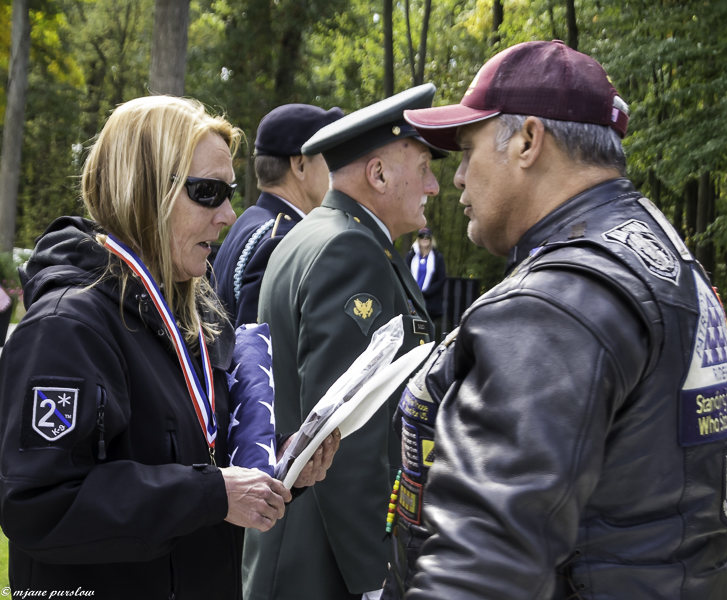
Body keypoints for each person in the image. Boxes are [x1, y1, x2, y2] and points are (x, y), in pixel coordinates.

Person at [384, 40, 727, 599]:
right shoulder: (660, 255)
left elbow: (481, 568)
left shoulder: (557, 302)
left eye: (469, 149)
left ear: (527, 141)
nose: (456, 179)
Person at [0, 96, 337, 599]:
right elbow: (40, 504)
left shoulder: (188, 314)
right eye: (208, 192)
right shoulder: (65, 327)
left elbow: (193, 451)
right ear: (144, 190)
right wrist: (210, 494)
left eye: (229, 192)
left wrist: (279, 464)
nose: (228, 213)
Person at [241, 84, 445, 600]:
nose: (435, 186)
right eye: (423, 167)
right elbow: (345, 435)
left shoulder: (320, 233)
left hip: (299, 548)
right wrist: (375, 577)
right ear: (377, 174)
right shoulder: (350, 250)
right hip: (322, 565)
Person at [212, 104, 343, 327]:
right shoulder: (282, 241)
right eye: (329, 159)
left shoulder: (252, 220)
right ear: (300, 165)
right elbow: (262, 354)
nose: (336, 171)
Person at [404, 227, 446, 329]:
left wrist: (426, 293)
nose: (424, 239)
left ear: (431, 239)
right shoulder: (411, 256)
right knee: (411, 328)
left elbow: (441, 279)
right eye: (421, 236)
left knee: (427, 330)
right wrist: (412, 292)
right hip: (412, 300)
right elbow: (404, 275)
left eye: (427, 236)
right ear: (418, 239)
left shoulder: (437, 257)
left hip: (430, 302)